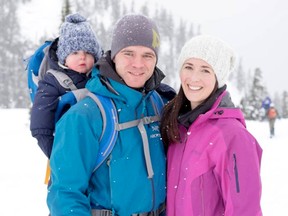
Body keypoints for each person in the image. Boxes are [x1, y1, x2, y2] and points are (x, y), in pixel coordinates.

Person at [47, 14, 174, 215]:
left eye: (147, 55)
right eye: (128, 53)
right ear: (114, 56)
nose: (138, 64)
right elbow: (65, 194)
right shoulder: (84, 117)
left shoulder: (160, 104)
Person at [160, 35, 263, 215]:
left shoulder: (233, 136)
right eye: (189, 67)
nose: (194, 78)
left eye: (205, 70)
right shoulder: (178, 126)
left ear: (219, 77)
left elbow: (244, 210)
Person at [30, 13, 102, 158]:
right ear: (64, 57)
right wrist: (57, 157)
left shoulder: (101, 76)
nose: (82, 57)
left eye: (88, 52)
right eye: (75, 52)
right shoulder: (52, 82)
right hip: (67, 149)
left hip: (99, 147)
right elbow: (41, 125)